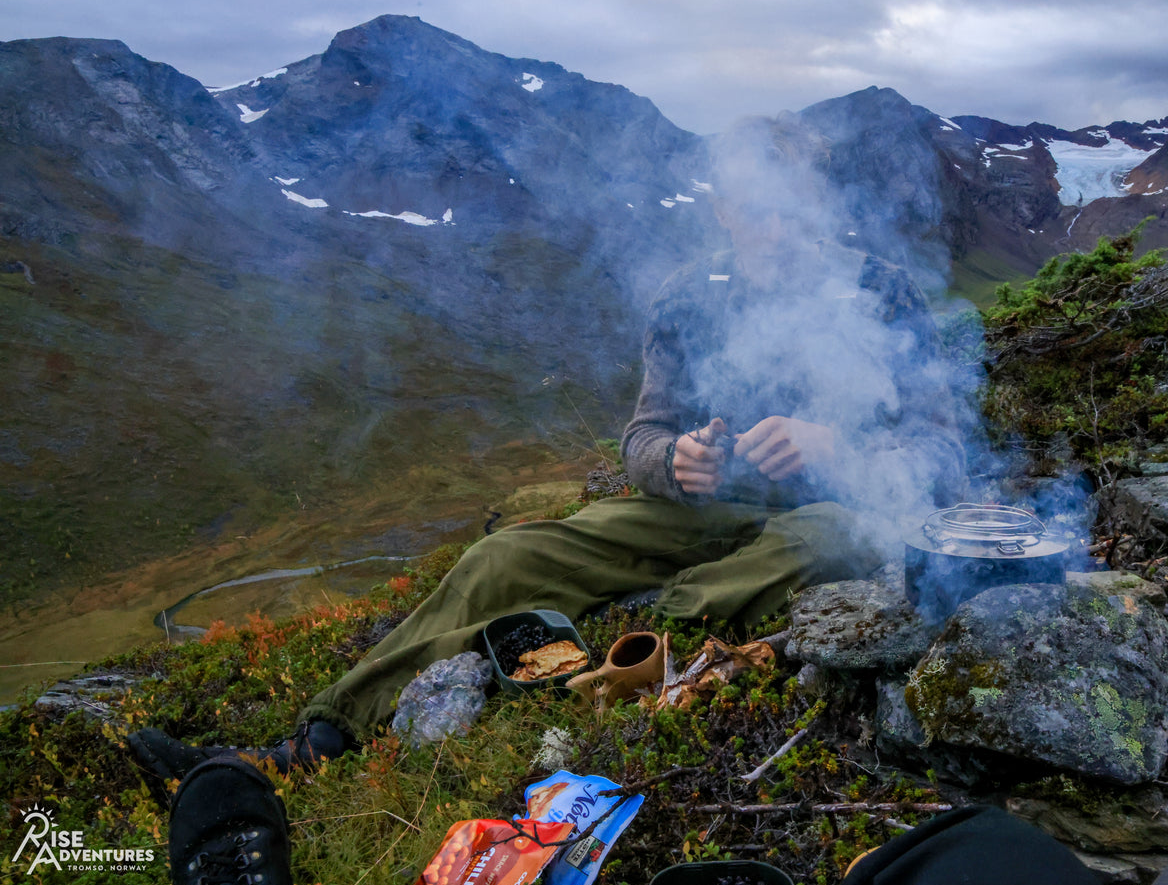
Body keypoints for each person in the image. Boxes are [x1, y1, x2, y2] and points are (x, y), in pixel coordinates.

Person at [128, 118, 966, 789]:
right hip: (702, 511)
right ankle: (320, 739)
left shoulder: (875, 289)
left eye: (790, 204)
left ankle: (626, 644)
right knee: (502, 557)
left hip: (829, 508)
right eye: (753, 205)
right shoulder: (690, 295)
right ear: (721, 208)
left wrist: (836, 442)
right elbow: (643, 437)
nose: (771, 226)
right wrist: (673, 462)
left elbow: (943, 450)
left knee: (821, 539)